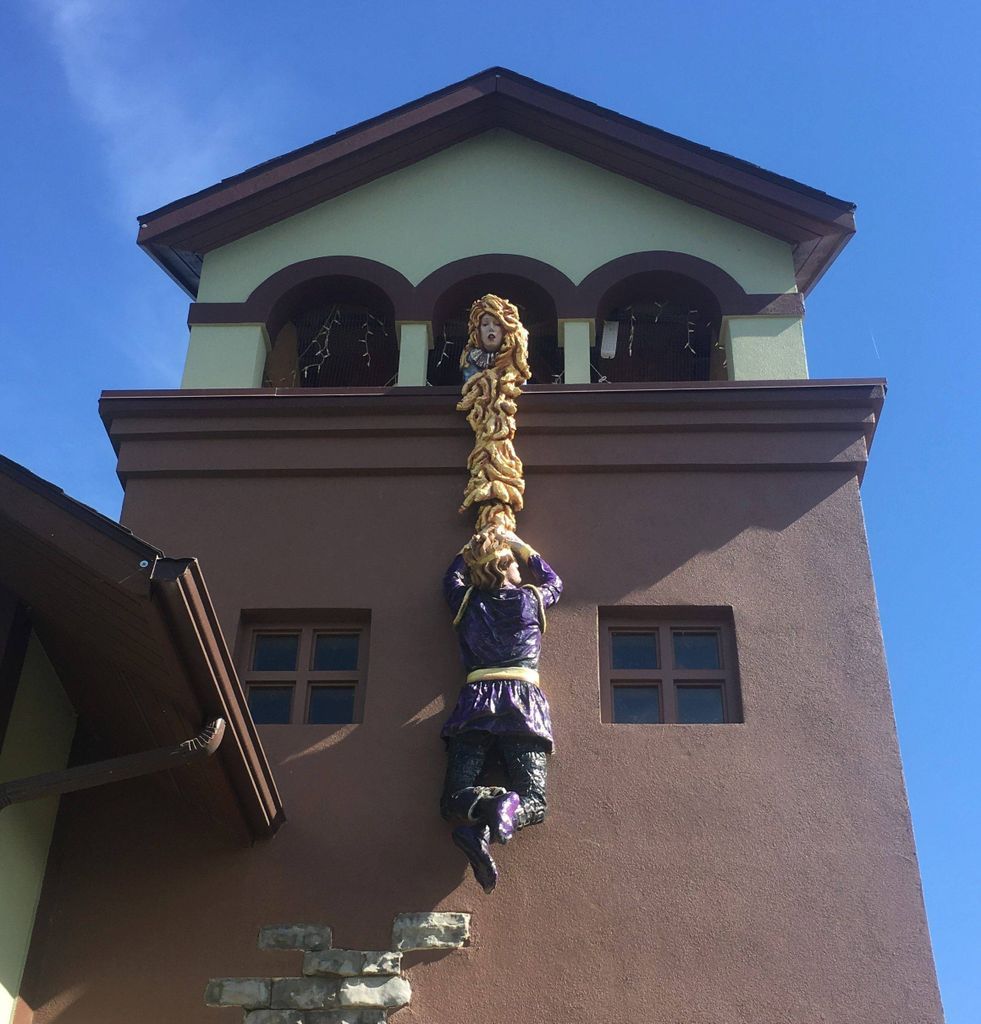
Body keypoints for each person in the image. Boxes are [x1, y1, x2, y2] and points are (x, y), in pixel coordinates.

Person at [440, 526, 562, 892]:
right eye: (514, 565)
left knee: (452, 800)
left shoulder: (468, 602)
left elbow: (451, 577)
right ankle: (505, 804)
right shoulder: (529, 600)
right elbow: (555, 582)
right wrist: (522, 545)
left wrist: (473, 546)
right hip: (524, 702)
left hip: (476, 700)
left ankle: (482, 820)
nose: (520, 572)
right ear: (506, 566)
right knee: (534, 800)